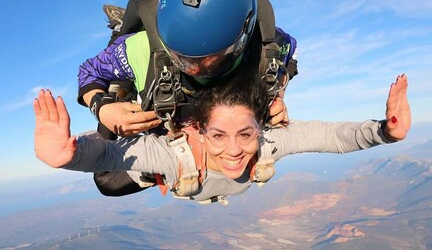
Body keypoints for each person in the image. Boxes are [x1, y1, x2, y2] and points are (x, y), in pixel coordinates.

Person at [78, 0, 298, 196]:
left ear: (242, 40)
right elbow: (89, 72)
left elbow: (291, 58)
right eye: (181, 57)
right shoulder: (140, 47)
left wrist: (277, 93)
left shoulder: (269, 48)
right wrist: (102, 107)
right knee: (108, 181)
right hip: (152, 70)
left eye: (208, 60)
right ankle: (121, 29)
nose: (192, 68)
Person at [34, 72, 410, 204]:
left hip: (184, 168)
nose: (235, 150)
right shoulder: (173, 156)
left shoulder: (267, 145)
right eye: (219, 136)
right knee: (108, 185)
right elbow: (106, 158)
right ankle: (124, 95)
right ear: (198, 131)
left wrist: (384, 131)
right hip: (165, 157)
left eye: (246, 134)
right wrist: (70, 156)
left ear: (259, 129)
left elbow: (330, 137)